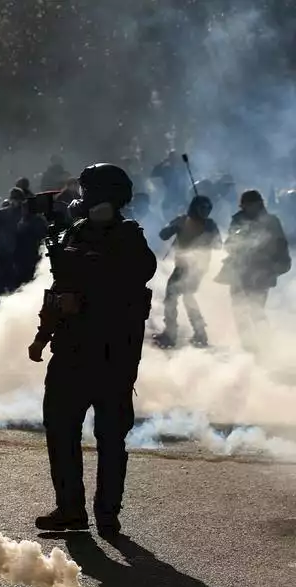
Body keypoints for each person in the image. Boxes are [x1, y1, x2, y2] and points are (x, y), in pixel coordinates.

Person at [28, 163, 156, 535]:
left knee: (110, 436)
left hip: (111, 354)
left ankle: (106, 512)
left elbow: (136, 277)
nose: (80, 199)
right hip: (71, 351)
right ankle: (71, 509)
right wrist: (42, 336)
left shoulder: (130, 240)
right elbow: (59, 292)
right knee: (61, 428)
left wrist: (89, 287)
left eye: (87, 193)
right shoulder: (75, 234)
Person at [215, 189, 292, 355]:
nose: (248, 208)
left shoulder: (271, 222)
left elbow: (281, 246)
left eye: (251, 205)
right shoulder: (237, 221)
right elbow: (229, 244)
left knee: (255, 310)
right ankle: (248, 347)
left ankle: (266, 344)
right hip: (239, 272)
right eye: (246, 205)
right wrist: (236, 243)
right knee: (238, 310)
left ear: (259, 204)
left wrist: (277, 266)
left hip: (261, 272)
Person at [152, 196, 221, 348]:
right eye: (201, 208)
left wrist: (209, 234)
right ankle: (198, 333)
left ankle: (172, 334)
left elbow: (218, 245)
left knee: (174, 296)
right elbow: (163, 235)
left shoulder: (209, 225)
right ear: (194, 208)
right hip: (183, 266)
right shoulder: (183, 221)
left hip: (196, 267)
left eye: (207, 209)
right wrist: (174, 227)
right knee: (184, 297)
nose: (205, 212)